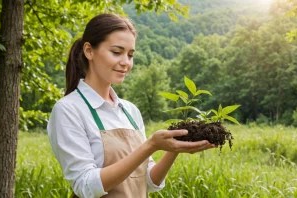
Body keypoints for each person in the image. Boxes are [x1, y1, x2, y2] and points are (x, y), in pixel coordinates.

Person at [47, 13, 216, 198]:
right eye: (116, 52)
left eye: (130, 55)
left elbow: (148, 182)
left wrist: (173, 148)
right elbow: (85, 185)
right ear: (89, 51)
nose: (126, 63)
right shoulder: (68, 109)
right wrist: (150, 146)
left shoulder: (129, 111)